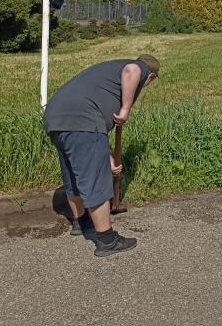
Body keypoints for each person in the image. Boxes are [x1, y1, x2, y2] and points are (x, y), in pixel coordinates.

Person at [43, 55, 159, 257]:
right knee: (96, 178)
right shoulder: (139, 68)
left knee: (74, 175)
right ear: (151, 77)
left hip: (56, 118)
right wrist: (125, 110)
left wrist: (107, 158)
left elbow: (92, 140)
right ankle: (107, 240)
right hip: (82, 120)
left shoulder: (108, 73)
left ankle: (81, 223)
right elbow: (132, 70)